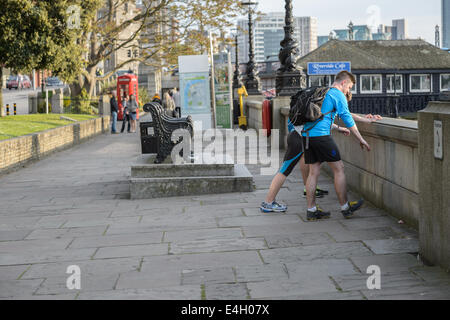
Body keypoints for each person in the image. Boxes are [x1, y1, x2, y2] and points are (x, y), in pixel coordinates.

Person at [260, 87, 382, 213]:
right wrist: (365, 121)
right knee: (285, 170)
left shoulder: (320, 100)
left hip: (298, 135)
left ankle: (308, 203)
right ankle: (268, 202)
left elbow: (320, 119)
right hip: (298, 138)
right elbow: (344, 114)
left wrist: (340, 128)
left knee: (304, 169)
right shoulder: (332, 99)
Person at [303, 70, 370, 221]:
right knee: (339, 169)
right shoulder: (337, 94)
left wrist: (339, 128)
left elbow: (322, 117)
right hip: (322, 137)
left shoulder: (323, 92)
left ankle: (311, 210)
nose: (349, 91)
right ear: (343, 83)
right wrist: (361, 139)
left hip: (307, 136)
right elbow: (346, 117)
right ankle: (345, 207)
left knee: (313, 172)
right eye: (350, 87)